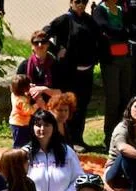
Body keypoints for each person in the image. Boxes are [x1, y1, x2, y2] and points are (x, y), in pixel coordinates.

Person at [44, 0, 103, 150]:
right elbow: (44, 34)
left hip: (86, 72)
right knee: (67, 107)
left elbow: (99, 37)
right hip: (69, 73)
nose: (81, 4)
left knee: (82, 106)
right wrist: (56, 50)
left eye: (84, 1)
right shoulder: (64, 19)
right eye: (77, 1)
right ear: (71, 3)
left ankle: (78, 139)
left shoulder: (89, 20)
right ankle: (65, 140)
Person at [94, 0, 134, 148]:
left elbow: (128, 28)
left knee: (125, 97)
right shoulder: (100, 10)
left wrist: (119, 33)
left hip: (125, 57)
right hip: (110, 60)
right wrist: (121, 32)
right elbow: (104, 28)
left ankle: (123, 134)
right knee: (113, 99)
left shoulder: (121, 9)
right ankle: (109, 137)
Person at [105, 94, 136, 191]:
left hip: (135, 171)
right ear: (129, 109)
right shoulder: (122, 128)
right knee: (127, 154)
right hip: (115, 174)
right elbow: (123, 148)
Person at [9, 75, 37, 148]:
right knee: (20, 144)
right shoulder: (21, 100)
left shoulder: (14, 95)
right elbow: (29, 111)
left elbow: (24, 96)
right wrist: (37, 105)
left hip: (16, 123)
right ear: (24, 88)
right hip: (20, 125)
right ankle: (18, 157)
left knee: (21, 142)